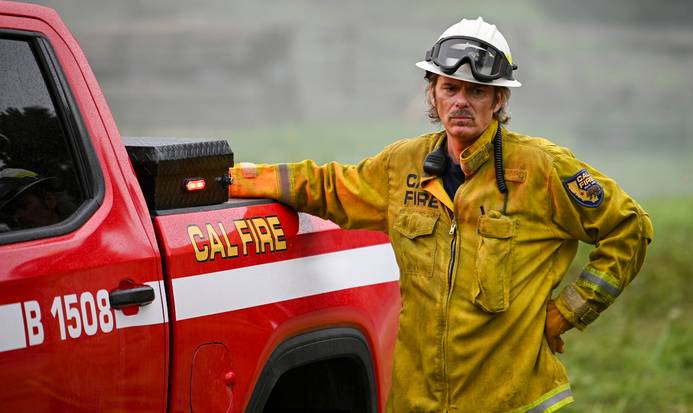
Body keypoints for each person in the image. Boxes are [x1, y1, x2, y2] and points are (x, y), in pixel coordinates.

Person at [229, 17, 653, 413]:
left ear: (499, 99)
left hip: (512, 402)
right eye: (450, 88)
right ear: (431, 93)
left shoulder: (541, 169)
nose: (461, 102)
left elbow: (629, 228)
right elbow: (328, 186)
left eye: (476, 91)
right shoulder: (403, 165)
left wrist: (566, 314)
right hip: (417, 401)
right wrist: (236, 180)